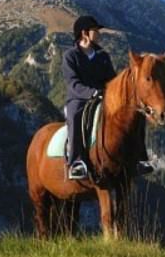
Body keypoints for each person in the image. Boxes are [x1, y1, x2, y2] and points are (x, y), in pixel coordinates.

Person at [62, 15, 153, 180]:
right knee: (75, 115)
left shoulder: (103, 56)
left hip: (104, 97)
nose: (98, 34)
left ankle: (140, 158)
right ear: (84, 33)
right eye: (95, 30)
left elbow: (111, 80)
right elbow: (73, 84)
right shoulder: (70, 56)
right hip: (79, 98)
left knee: (136, 114)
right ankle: (75, 162)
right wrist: (91, 93)